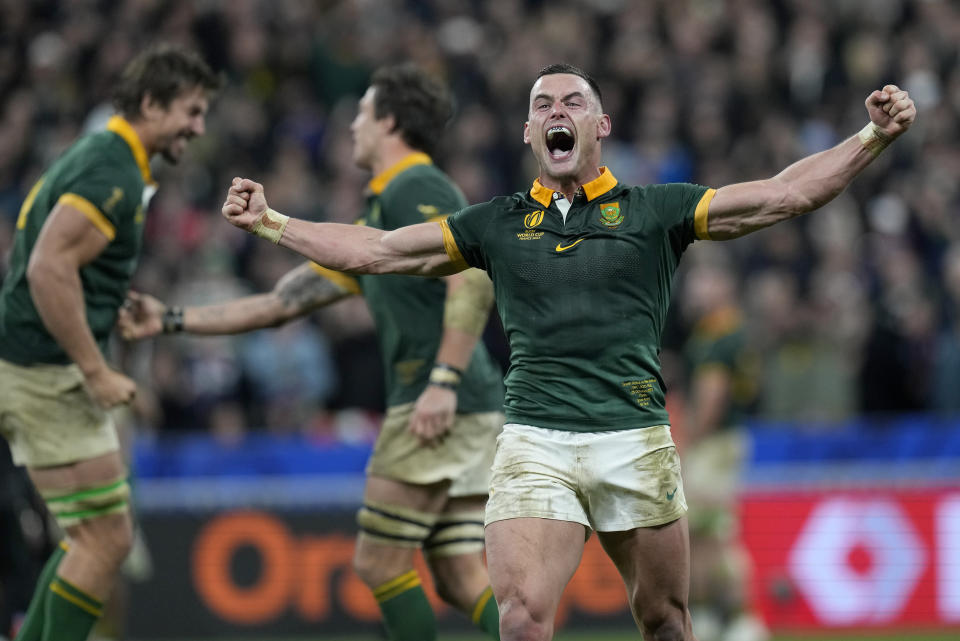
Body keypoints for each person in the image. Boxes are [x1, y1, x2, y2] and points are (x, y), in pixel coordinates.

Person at [219, 63, 916, 641]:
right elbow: (376, 249)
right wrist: (273, 220)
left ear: (600, 126)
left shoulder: (655, 210)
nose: (558, 110)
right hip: (535, 440)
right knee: (520, 619)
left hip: (635, 438)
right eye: (543, 104)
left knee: (666, 620)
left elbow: (785, 194)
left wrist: (871, 137)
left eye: (574, 101)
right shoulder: (496, 223)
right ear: (529, 132)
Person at [118, 64, 505, 641]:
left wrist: (442, 380)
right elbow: (280, 302)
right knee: (454, 574)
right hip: (460, 403)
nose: (351, 125)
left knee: (378, 563)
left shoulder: (415, 187)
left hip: (436, 402)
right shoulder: (377, 223)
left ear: (390, 122)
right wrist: (171, 319)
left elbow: (471, 278)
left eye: (363, 113)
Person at [0, 44, 219, 641]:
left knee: (89, 539)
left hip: (37, 366)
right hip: (46, 374)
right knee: (107, 539)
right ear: (150, 103)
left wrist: (106, 309)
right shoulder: (112, 169)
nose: (198, 128)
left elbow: (61, 263)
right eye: (191, 112)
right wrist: (95, 369)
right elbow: (48, 268)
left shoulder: (105, 157)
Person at [679, 263, 766, 641]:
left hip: (713, 446)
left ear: (724, 285)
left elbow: (711, 397)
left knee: (713, 535)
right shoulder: (730, 330)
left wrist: (691, 441)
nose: (695, 290)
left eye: (704, 280)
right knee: (701, 533)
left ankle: (741, 619)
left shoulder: (718, 334)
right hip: (726, 443)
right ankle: (711, 615)